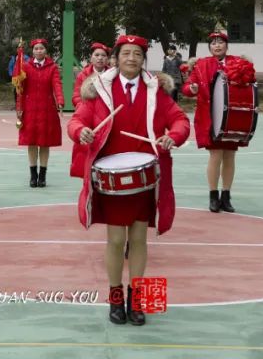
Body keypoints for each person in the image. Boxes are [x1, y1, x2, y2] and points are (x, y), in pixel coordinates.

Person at [69, 34, 189, 326]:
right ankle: (114, 299)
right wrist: (80, 132)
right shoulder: (99, 89)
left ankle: (139, 301)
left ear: (143, 59)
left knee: (139, 239)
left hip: (147, 177)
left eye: (137, 53)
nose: (132, 58)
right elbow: (76, 120)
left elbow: (181, 121)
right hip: (111, 179)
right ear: (116, 58)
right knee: (115, 239)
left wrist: (171, 136)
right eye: (126, 53)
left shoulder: (155, 90)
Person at [182, 31, 255, 213]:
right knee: (215, 156)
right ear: (209, 47)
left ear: (226, 45)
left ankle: (226, 195)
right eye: (213, 43)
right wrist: (192, 88)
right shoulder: (202, 64)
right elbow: (186, 88)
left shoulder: (238, 63)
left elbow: (250, 82)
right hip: (210, 118)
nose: (217, 46)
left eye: (220, 42)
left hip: (233, 118)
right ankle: (213, 196)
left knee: (230, 156)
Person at [15, 39, 64, 188]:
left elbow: (56, 84)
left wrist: (60, 100)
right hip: (29, 110)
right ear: (32, 51)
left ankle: (42, 175)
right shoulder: (25, 67)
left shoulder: (52, 67)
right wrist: (19, 107)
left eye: (41, 48)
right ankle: (33, 175)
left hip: (47, 110)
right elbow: (20, 89)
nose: (39, 51)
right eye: (36, 48)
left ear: (46, 50)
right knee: (31, 142)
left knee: (44, 143)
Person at [71, 43, 111, 178]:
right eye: (97, 55)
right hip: (88, 120)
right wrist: (83, 107)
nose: (100, 58)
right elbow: (76, 96)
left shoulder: (113, 75)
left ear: (108, 59)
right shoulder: (83, 75)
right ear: (91, 58)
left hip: (106, 119)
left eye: (103, 56)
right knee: (86, 160)